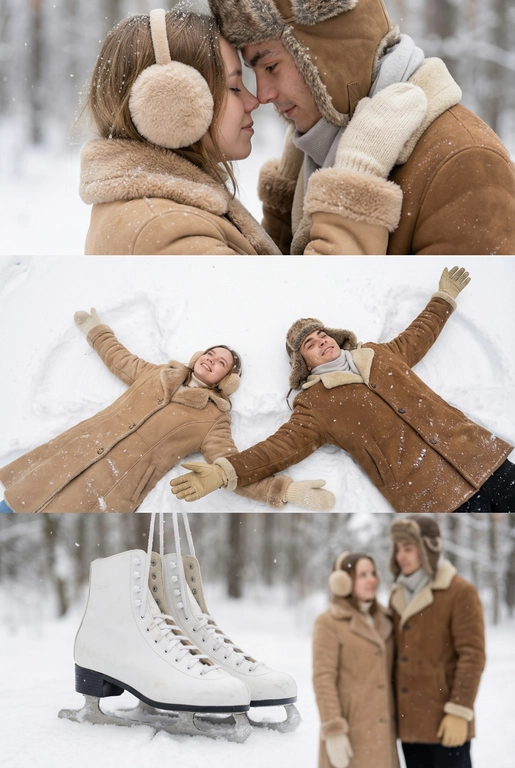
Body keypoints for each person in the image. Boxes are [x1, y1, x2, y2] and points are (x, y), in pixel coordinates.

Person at [80, 7, 427, 255]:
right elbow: (308, 320)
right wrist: (357, 170)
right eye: (234, 87)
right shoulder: (165, 229)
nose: (255, 99)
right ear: (171, 106)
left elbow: (260, 288)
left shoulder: (159, 209)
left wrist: (285, 201)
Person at [170, 266, 515, 513]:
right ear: (302, 363)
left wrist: (443, 298)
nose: (321, 341)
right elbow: (275, 450)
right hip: (432, 495)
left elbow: (418, 335)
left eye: (323, 335)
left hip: (479, 454)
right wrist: (223, 472)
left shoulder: (378, 354)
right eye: (309, 343)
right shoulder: (315, 405)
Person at [208, 0, 515, 255]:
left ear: (332, 53)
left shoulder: (466, 162)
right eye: (254, 72)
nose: (263, 94)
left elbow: (463, 322)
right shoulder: (320, 150)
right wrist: (283, 208)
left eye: (271, 67)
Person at [0, 309, 335, 513]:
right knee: (15, 503)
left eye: (221, 363)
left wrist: (285, 491)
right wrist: (97, 331)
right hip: (72, 454)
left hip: (112, 487)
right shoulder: (159, 373)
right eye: (210, 353)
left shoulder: (212, 419)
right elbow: (120, 358)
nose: (211, 360)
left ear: (226, 380)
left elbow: (229, 469)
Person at [389, 515, 485, 768]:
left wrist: (459, 710)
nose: (401, 555)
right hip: (410, 724)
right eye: (398, 548)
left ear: (427, 549)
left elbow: (473, 656)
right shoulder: (396, 596)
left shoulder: (460, 592)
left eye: (408, 548)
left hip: (446, 723)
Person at [313, 551, 399, 768]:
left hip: (384, 736)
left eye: (372, 573)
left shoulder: (386, 619)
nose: (371, 580)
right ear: (343, 582)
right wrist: (334, 730)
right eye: (362, 575)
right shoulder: (328, 623)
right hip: (351, 733)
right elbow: (323, 679)